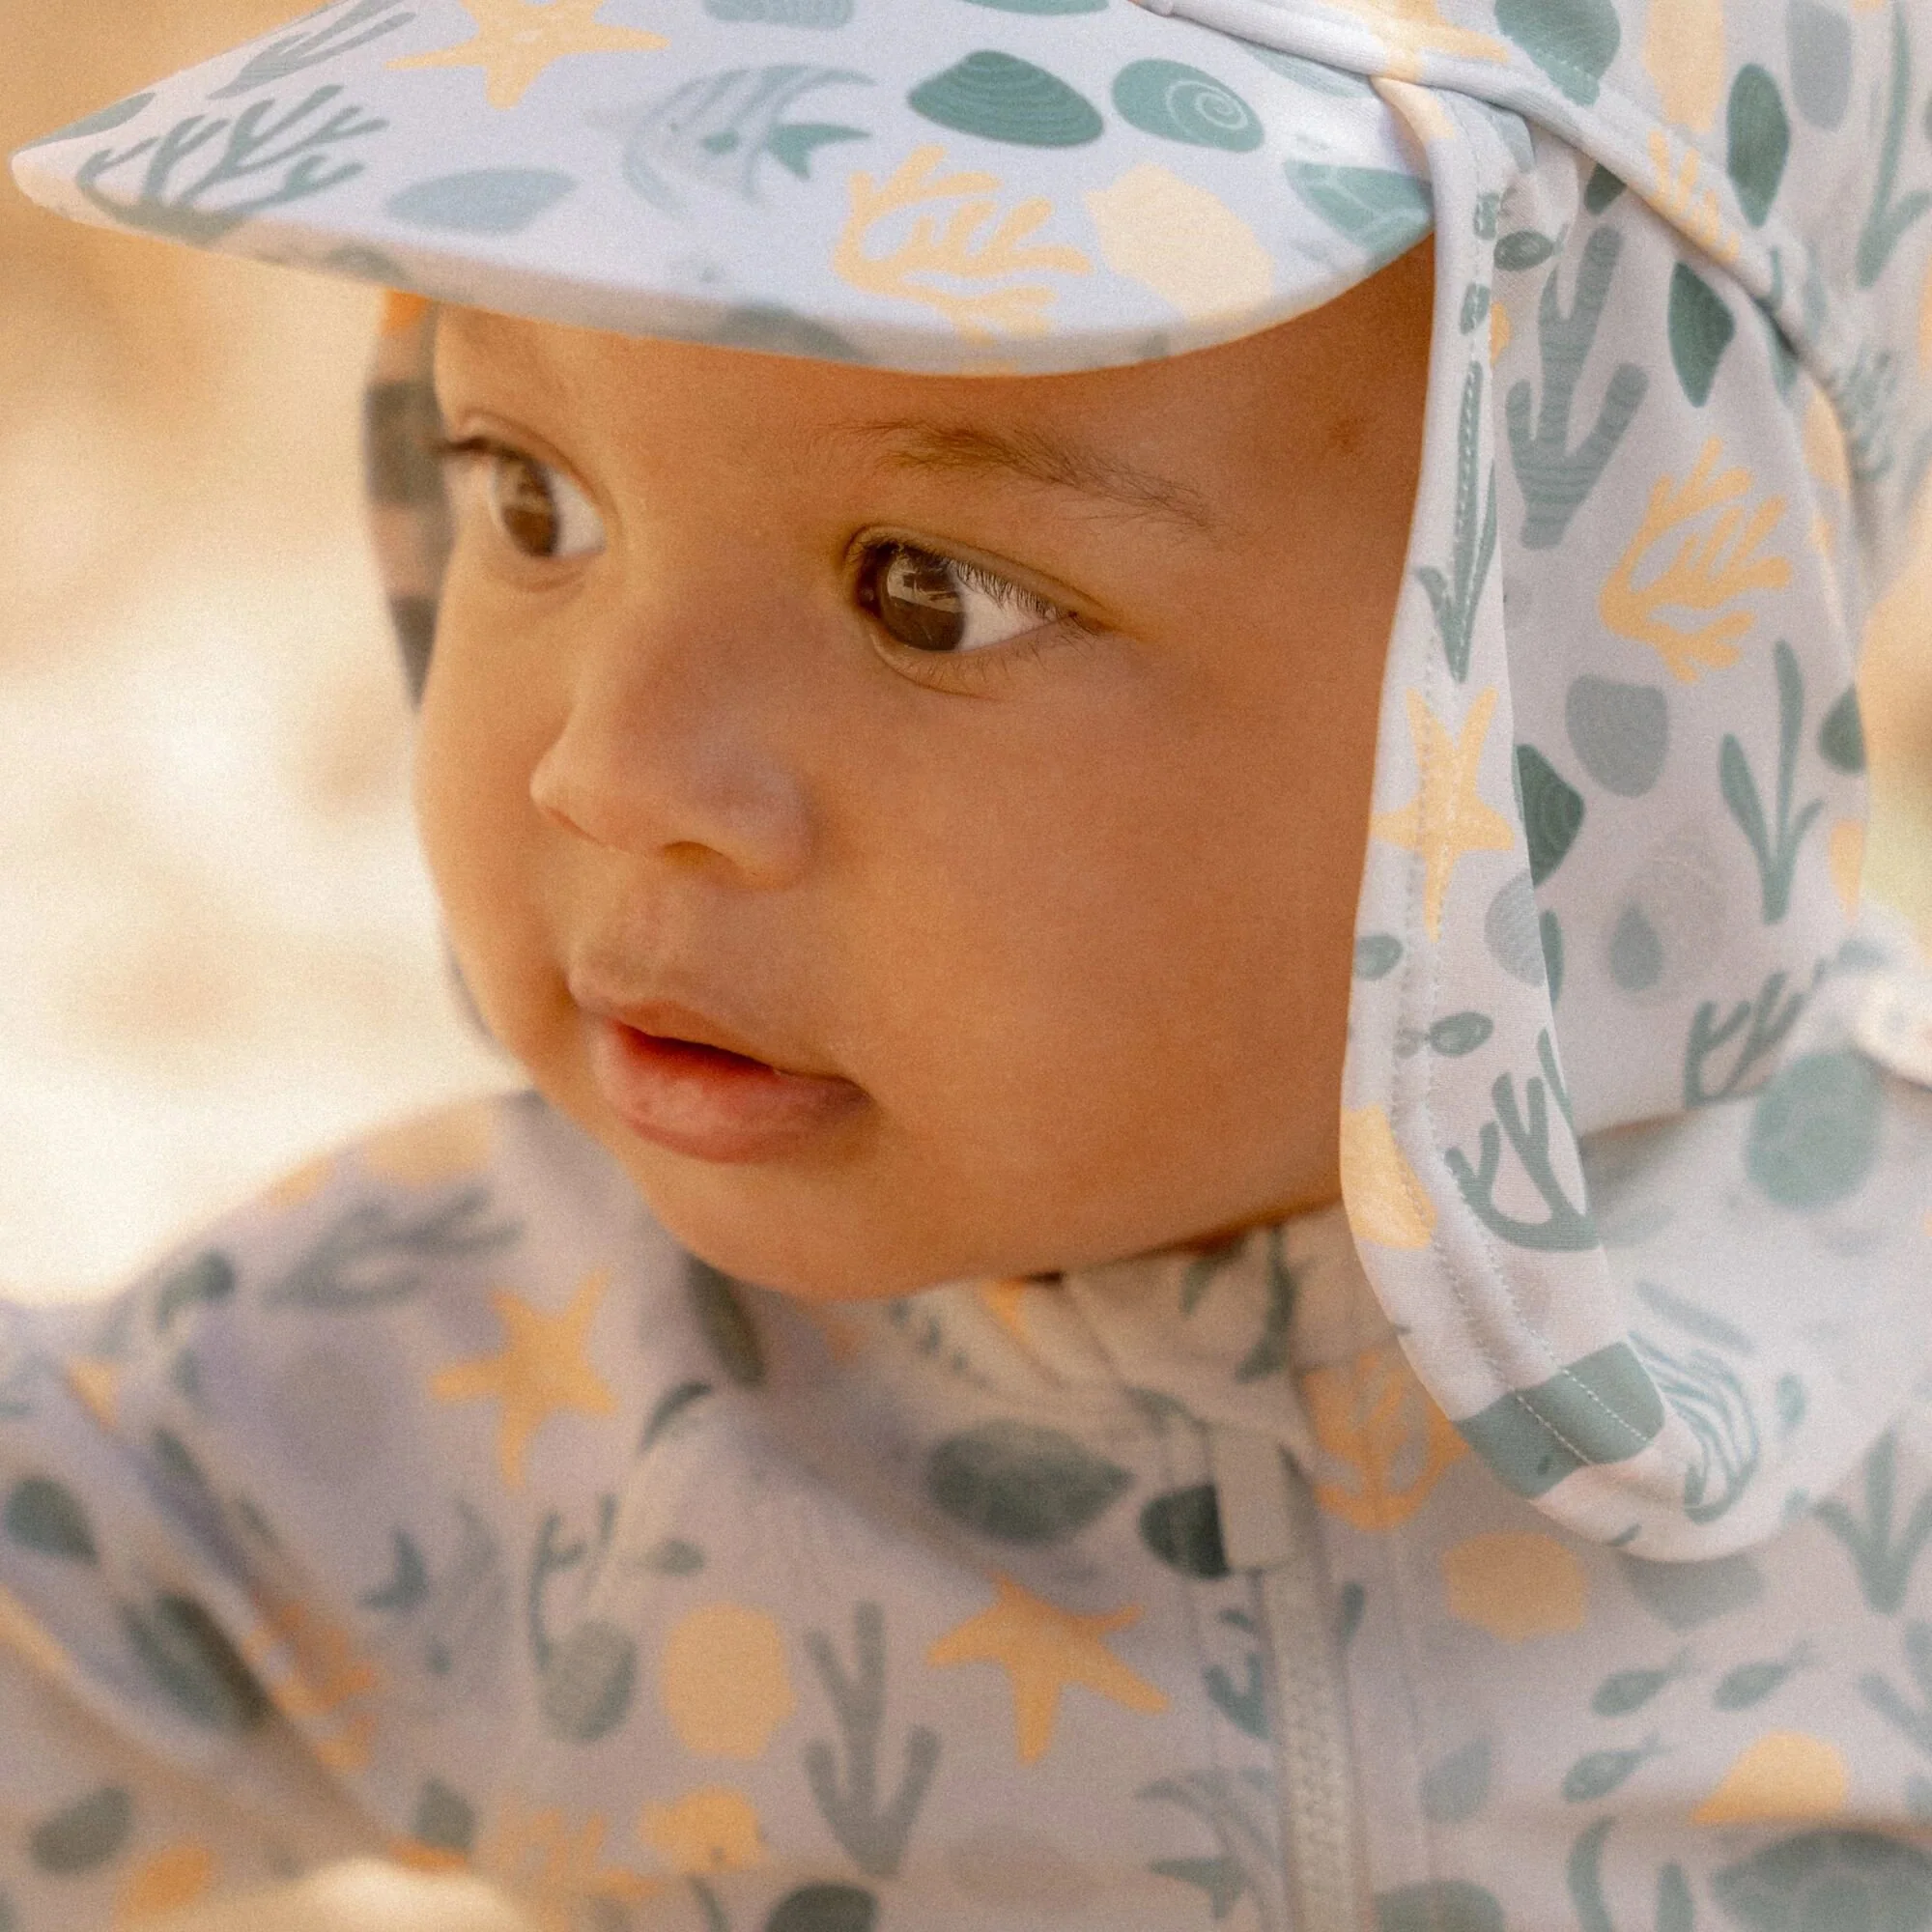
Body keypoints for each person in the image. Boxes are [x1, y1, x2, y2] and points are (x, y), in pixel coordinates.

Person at [8, 1, 1932, 1926]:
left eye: (926, 593)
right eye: (535, 498)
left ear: (1610, 689)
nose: (612, 769)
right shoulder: (465, 1386)